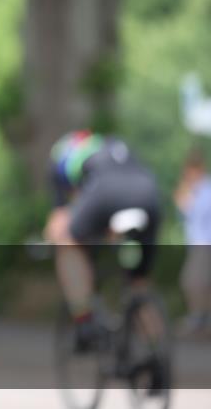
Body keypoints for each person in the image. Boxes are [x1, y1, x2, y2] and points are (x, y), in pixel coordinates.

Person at [43, 130, 162, 353]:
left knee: (66, 243)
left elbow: (59, 221)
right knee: (138, 283)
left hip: (106, 192)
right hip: (149, 193)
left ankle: (84, 322)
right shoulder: (115, 147)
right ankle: (157, 357)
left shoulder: (61, 158)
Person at [174, 147, 211, 336]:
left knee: (191, 280)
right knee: (209, 283)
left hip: (207, 242)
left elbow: (202, 213)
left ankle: (199, 318)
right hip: (199, 241)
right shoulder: (197, 189)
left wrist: (186, 202)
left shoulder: (210, 187)